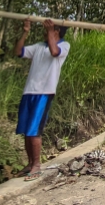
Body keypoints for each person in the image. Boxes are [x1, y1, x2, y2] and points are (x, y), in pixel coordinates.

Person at [14, 18, 70, 181]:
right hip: (29, 92)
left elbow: (54, 52)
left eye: (51, 30)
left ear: (57, 31)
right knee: (26, 130)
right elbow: (18, 52)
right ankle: (30, 164)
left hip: (44, 93)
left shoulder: (64, 46)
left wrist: (51, 31)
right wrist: (25, 32)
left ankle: (37, 165)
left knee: (34, 130)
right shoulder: (38, 47)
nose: (45, 32)